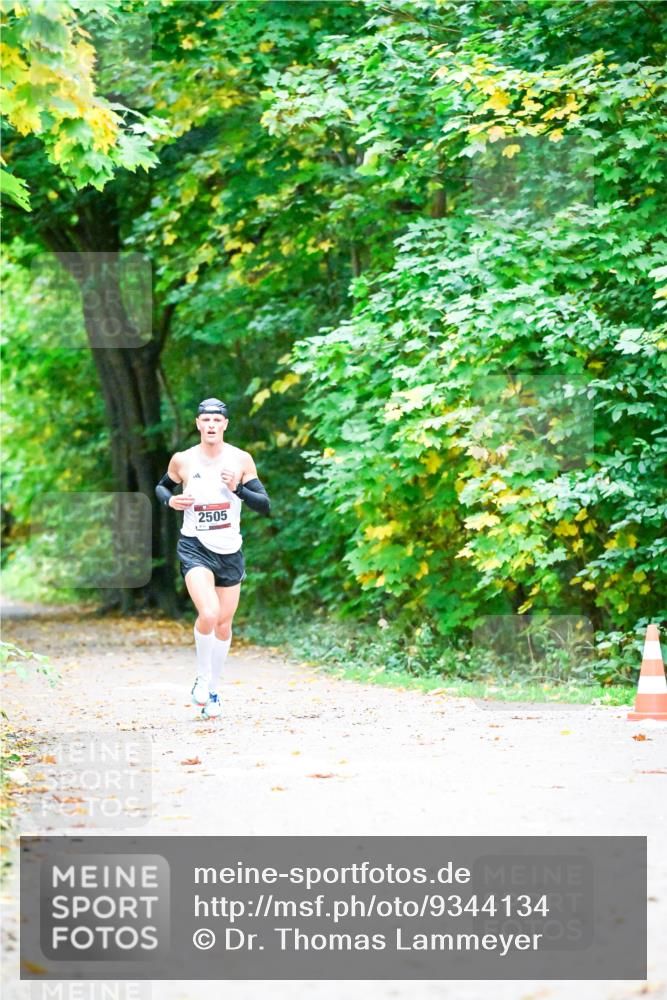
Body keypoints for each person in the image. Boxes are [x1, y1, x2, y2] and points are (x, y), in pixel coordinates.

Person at [155, 398, 270, 719]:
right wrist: (171, 501)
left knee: (223, 624)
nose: (211, 425)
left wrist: (237, 489)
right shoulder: (183, 460)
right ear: (198, 424)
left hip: (230, 550)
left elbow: (264, 505)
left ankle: (214, 691)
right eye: (205, 420)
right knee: (209, 612)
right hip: (195, 547)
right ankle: (202, 678)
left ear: (225, 425)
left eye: (216, 420)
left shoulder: (240, 459)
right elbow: (162, 487)